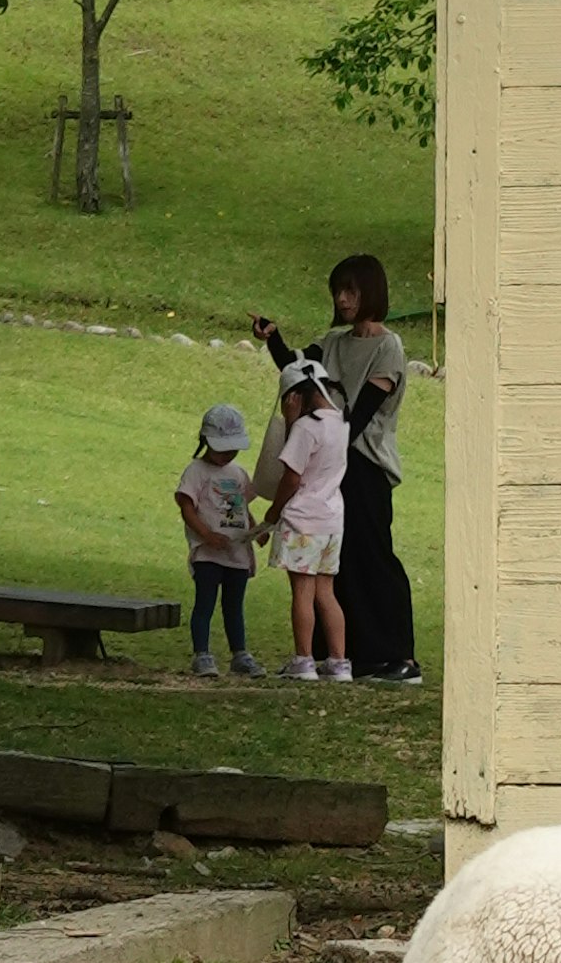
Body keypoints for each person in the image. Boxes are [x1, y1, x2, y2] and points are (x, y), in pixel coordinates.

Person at [252, 252, 420, 686]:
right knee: (334, 565)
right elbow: (296, 369)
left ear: (371, 293)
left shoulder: (389, 348)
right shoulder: (333, 342)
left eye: (351, 291)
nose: (343, 299)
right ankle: (346, 656)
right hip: (331, 465)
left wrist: (310, 441)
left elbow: (359, 416)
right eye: (338, 292)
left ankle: (399, 656)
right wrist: (272, 338)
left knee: (373, 558)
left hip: (365, 468)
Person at [260, 353, 350, 680]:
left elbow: (292, 475)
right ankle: (339, 662)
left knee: (302, 591)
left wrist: (272, 513)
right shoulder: (342, 421)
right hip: (331, 520)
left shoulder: (305, 428)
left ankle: (304, 659)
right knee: (326, 592)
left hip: (303, 520)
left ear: (295, 396)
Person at [173, 401, 260, 677]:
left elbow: (243, 508)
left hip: (236, 552)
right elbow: (186, 506)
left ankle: (240, 653)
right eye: (222, 448)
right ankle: (202, 654)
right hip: (208, 553)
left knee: (234, 606)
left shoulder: (238, 474)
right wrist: (206, 535)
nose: (227, 454)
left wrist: (257, 532)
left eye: (232, 448)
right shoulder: (196, 472)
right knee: (205, 603)